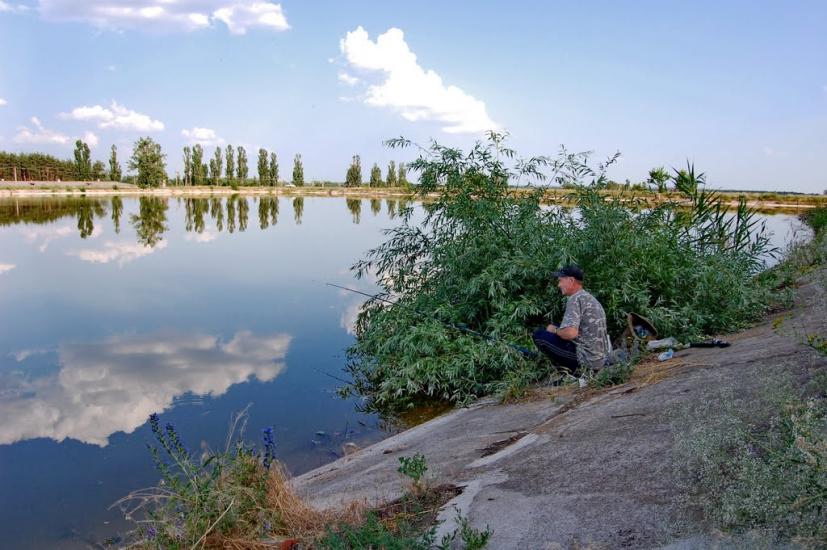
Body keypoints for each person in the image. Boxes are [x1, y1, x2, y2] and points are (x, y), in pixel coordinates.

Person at [532, 265, 608, 373]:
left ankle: (569, 371)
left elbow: (571, 334)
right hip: (599, 356)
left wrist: (554, 330)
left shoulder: (575, 299)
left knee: (539, 334)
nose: (559, 285)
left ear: (571, 280)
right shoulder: (588, 297)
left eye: (560, 281)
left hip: (588, 360)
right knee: (557, 327)